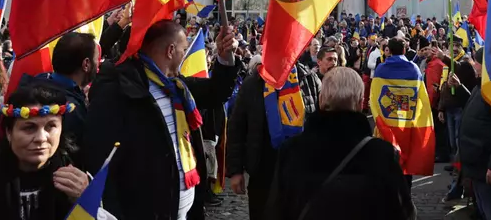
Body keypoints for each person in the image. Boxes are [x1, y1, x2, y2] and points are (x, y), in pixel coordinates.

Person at [83, 20, 241, 220]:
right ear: (170, 51)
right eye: (184, 49)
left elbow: (216, 92)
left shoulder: (176, 87)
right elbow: (100, 161)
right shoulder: (118, 91)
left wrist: (225, 57)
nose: (185, 54)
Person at [266, 67, 415, 220]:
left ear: (321, 100)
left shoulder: (291, 150)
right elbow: (402, 212)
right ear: (360, 103)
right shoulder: (382, 154)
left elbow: (276, 209)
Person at [0, 82, 93, 219]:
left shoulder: (77, 178)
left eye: (51, 126)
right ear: (9, 132)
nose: (41, 138)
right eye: (29, 128)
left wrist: (86, 201)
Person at [227, 58, 320, 220]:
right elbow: (237, 128)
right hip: (262, 171)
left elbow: (320, 125)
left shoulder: (309, 79)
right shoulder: (253, 83)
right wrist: (235, 171)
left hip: (299, 172)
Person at [34, 32, 100, 166]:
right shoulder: (70, 110)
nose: (98, 65)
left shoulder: (38, 82)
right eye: (97, 59)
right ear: (86, 64)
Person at [458, 48, 491, 220]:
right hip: (476, 166)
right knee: (484, 210)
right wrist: (459, 88)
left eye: (476, 62)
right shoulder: (481, 86)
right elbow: (473, 110)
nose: (473, 66)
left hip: (486, 168)